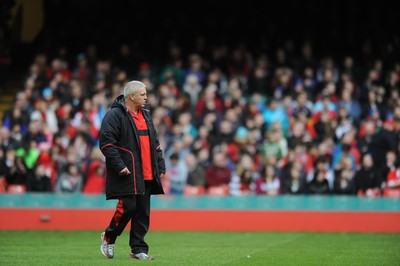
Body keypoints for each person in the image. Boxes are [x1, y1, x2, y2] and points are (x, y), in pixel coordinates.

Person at [98, 80, 166, 260]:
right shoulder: (114, 115)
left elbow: (155, 143)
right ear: (132, 96)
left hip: (147, 172)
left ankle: (138, 249)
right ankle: (109, 237)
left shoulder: (146, 114)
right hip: (128, 172)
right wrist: (120, 165)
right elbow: (106, 144)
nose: (146, 97)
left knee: (142, 213)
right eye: (143, 94)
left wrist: (160, 164)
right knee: (128, 207)